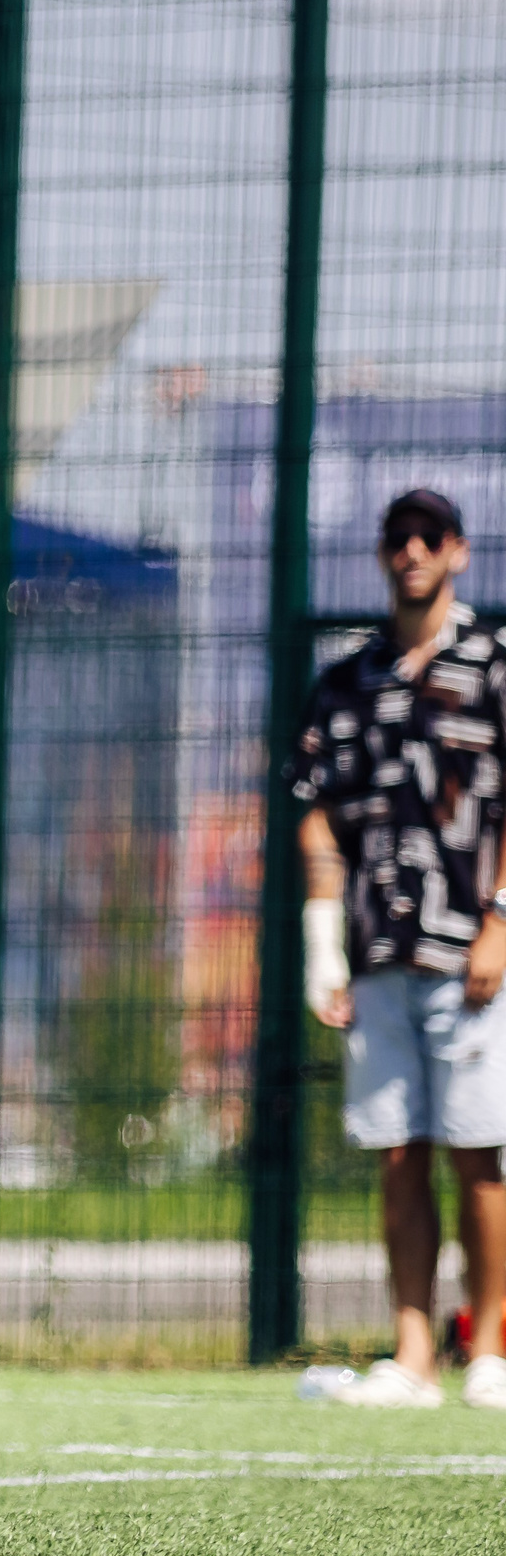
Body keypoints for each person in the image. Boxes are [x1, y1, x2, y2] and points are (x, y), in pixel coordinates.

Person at [295, 487, 506, 1410]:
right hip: (380, 951)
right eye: (397, 538)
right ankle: (413, 1353)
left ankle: (491, 1348)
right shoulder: (346, 681)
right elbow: (316, 819)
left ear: (457, 551)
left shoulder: (495, 667)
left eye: (428, 537)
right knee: (396, 1151)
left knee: (479, 1148)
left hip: (473, 951)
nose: (411, 551)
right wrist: (321, 950)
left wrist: (502, 918)